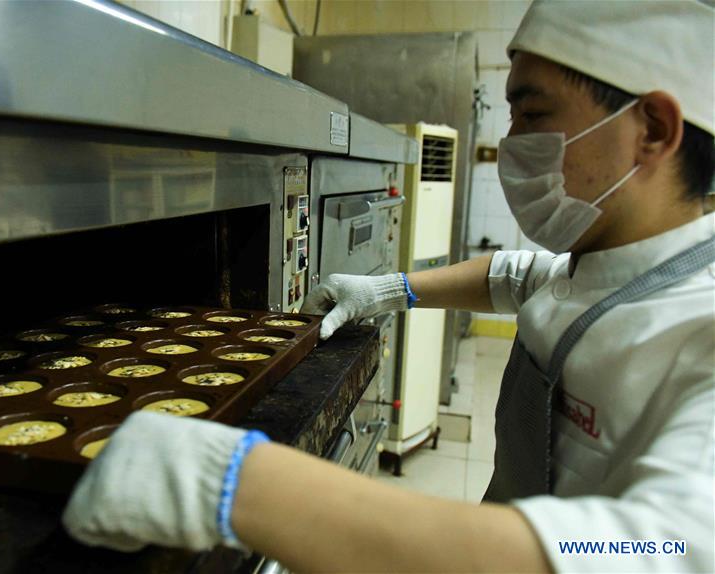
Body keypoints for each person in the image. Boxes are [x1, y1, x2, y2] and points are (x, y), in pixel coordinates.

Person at [62, 1, 715, 571]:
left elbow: (646, 554)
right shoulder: (609, 267)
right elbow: (516, 275)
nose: (511, 143)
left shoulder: (700, 332)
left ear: (653, 129)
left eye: (533, 113)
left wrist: (230, 484)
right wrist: (390, 289)